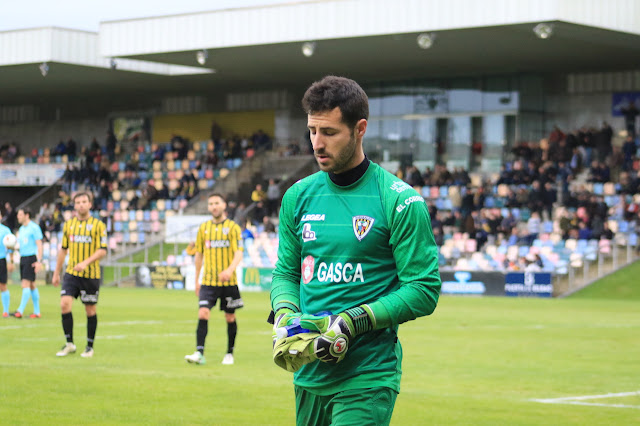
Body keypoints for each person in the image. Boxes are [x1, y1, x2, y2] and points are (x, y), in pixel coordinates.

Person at [270, 76, 441, 426]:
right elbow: (286, 273)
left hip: (368, 375)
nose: (317, 143)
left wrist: (353, 321)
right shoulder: (297, 196)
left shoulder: (399, 200)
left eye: (329, 133)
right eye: (312, 131)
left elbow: (424, 289)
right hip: (310, 372)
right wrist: (286, 313)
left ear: (360, 128)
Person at [184, 193, 244, 366]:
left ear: (224, 205)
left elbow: (239, 252)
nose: (214, 206)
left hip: (229, 281)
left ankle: (229, 353)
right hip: (208, 281)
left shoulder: (233, 228)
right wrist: (196, 280)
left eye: (217, 203)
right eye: (211, 204)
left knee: (230, 317)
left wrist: (229, 269)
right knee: (203, 312)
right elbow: (199, 255)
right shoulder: (203, 228)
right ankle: (199, 352)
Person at [51, 192, 107, 358]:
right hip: (71, 273)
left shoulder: (98, 225)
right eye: (78, 202)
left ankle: (89, 346)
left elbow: (102, 250)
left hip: (90, 274)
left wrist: (85, 263)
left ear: (90, 204)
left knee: (90, 310)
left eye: (84, 202)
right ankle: (69, 344)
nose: (81, 205)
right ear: (74, 205)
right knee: (64, 304)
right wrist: (56, 272)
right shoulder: (69, 225)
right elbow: (63, 250)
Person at [11, 207, 43, 319]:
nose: (18, 217)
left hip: (31, 258)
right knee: (32, 285)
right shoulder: (21, 229)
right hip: (23, 258)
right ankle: (37, 312)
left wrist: (39, 261)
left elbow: (39, 244)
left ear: (27, 215)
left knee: (25, 284)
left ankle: (20, 311)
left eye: (20, 214)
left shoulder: (34, 227)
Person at [0, 210, 14, 317]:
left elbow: (11, 247)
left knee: (2, 285)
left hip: (1, 260)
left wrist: (11, 262)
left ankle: (5, 310)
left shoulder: (5, 231)